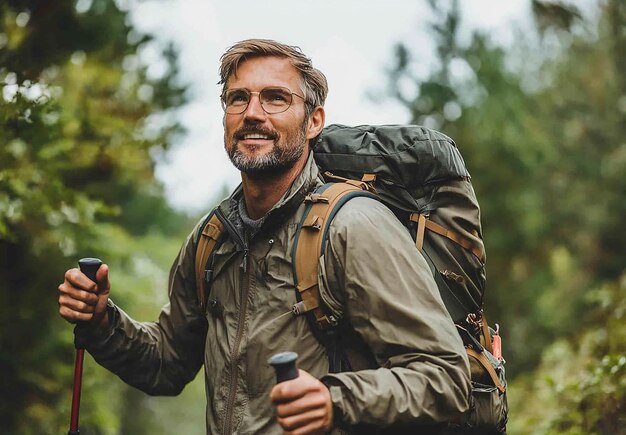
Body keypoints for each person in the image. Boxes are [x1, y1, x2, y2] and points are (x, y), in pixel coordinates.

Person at [58, 39, 471, 434]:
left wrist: (335, 401)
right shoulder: (212, 239)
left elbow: (446, 379)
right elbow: (166, 364)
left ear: (313, 122)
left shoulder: (354, 227)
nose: (252, 113)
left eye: (275, 97)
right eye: (238, 98)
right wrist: (102, 322)